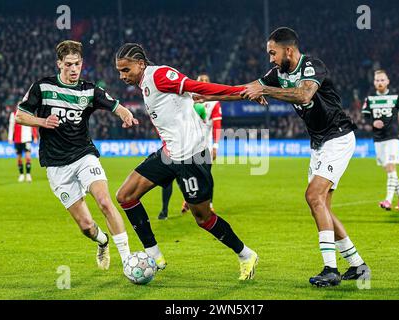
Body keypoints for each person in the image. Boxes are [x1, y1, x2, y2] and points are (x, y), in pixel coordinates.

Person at [236, 27, 369, 287]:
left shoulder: (312, 66)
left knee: (313, 196)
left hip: (338, 137)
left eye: (273, 53)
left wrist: (266, 91)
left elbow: (304, 94)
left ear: (289, 50)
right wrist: (203, 94)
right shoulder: (277, 73)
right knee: (323, 207)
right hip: (319, 143)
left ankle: (330, 269)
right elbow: (248, 88)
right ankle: (357, 265)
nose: (271, 59)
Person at [114, 43, 258, 280]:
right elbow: (199, 96)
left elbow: (198, 87)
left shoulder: (159, 75)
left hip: (191, 156)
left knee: (203, 218)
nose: (122, 76)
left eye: (126, 70)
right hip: (170, 154)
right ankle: (154, 254)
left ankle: (246, 254)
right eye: (119, 71)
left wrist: (243, 91)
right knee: (125, 196)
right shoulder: (145, 84)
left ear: (140, 64)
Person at [15, 40, 135, 272]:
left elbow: (115, 105)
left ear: (82, 64)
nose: (73, 69)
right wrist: (42, 121)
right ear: (59, 63)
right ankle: (102, 242)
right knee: (86, 226)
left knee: (104, 201)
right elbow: (20, 115)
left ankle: (128, 261)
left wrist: (124, 113)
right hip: (56, 165)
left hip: (84, 156)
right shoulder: (42, 87)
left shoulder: (88, 90)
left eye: (77, 64)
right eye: (68, 64)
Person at [158, 73, 222, 220]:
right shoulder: (187, 98)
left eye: (206, 81)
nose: (204, 83)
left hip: (205, 144)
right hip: (185, 143)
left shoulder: (214, 102)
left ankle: (208, 204)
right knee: (184, 175)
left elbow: (217, 125)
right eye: (201, 81)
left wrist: (215, 146)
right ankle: (187, 201)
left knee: (206, 175)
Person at [362, 70, 399, 210]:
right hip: (378, 138)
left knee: (391, 167)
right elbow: (365, 116)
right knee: (390, 171)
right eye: (377, 80)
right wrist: (373, 122)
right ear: (374, 82)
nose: (380, 82)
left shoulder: (396, 97)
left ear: (387, 81)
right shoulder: (370, 99)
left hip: (393, 136)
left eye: (382, 80)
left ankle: (388, 200)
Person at [8, 105, 38, 182]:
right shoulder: (13, 114)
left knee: (28, 157)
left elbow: (32, 125)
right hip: (17, 140)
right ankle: (21, 174)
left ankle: (28, 174)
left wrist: (35, 136)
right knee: (19, 158)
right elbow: (11, 126)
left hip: (26, 138)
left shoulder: (28, 114)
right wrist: (10, 138)